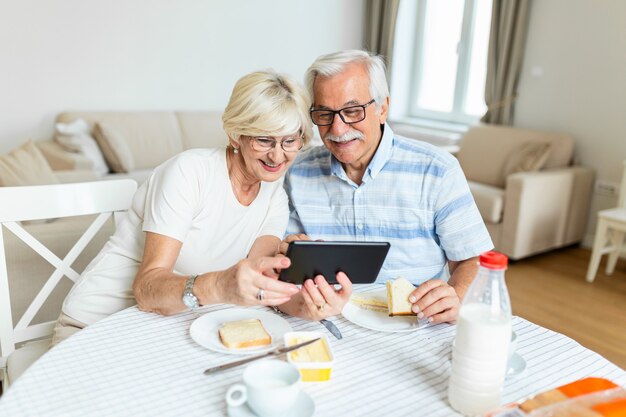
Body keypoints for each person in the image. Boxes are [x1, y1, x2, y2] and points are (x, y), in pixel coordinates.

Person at [51, 70, 313, 345]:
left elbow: (257, 284)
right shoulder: (189, 173)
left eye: (289, 141)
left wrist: (307, 297)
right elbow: (147, 289)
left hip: (169, 331)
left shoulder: (274, 196)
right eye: (264, 140)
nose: (277, 155)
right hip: (95, 327)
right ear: (236, 134)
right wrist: (219, 285)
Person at [280, 50, 493, 324]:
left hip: (417, 322)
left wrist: (457, 294)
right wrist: (289, 250)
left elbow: (475, 260)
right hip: (328, 318)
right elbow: (282, 252)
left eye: (352, 111)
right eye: (324, 113)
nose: (338, 128)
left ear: (382, 108)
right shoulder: (297, 172)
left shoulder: (437, 170)